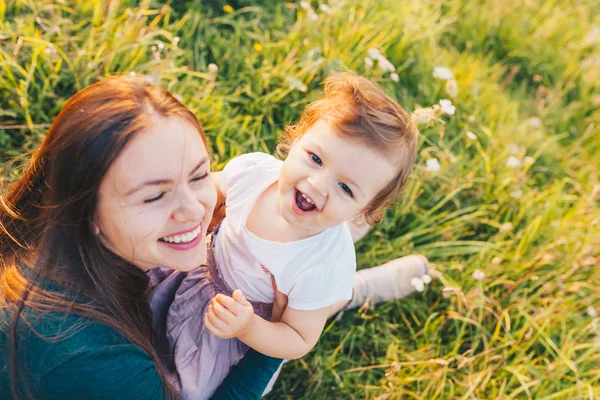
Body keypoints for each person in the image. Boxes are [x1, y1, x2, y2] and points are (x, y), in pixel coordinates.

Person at [0, 76, 285, 399]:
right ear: (85, 210)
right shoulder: (97, 359)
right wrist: (275, 340)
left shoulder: (49, 230)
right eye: (154, 197)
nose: (192, 210)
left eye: (198, 175)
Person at [150, 72, 430, 399]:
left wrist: (248, 328)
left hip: (242, 323)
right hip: (194, 273)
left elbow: (297, 337)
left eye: (345, 187)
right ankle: (345, 222)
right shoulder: (254, 173)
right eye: (315, 158)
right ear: (296, 139)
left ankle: (361, 286)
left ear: (364, 208)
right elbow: (210, 193)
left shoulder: (325, 266)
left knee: (321, 293)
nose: (317, 184)